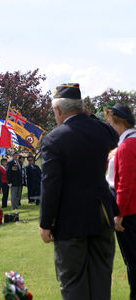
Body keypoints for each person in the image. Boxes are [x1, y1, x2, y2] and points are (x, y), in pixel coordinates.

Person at [40, 83, 119, 300]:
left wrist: (46, 223)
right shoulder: (103, 131)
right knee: (101, 280)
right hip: (102, 215)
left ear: (58, 111)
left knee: (73, 283)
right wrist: (87, 115)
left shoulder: (54, 139)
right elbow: (113, 133)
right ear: (82, 107)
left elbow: (50, 186)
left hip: (69, 222)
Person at [104, 103, 136, 300]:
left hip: (130, 213)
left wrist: (119, 214)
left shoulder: (126, 146)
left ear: (116, 122)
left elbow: (125, 184)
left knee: (132, 261)